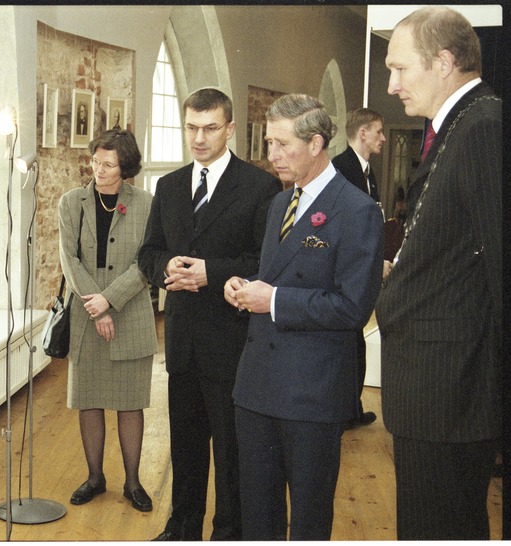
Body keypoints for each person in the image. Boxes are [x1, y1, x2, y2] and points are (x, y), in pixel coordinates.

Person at [224, 93, 384, 540]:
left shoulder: (357, 211)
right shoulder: (280, 203)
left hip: (311, 395)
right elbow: (274, 275)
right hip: (256, 388)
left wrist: (273, 300)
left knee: (309, 521)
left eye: (282, 144)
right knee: (258, 516)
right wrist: (242, 285)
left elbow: (353, 307)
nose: (272, 155)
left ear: (315, 144)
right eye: (269, 143)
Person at [376, 7, 501, 540]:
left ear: (444, 62)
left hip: (451, 392)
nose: (392, 84)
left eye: (400, 68)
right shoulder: (459, 124)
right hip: (434, 388)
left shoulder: (483, 127)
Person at [138, 87, 280, 540]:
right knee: (185, 446)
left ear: (230, 129)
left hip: (232, 341)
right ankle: (182, 529)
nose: (199, 139)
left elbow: (264, 262)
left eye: (210, 128)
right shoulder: (169, 186)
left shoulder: (259, 186)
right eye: (191, 128)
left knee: (232, 452)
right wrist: (166, 267)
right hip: (181, 342)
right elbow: (148, 252)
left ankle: (228, 533)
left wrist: (210, 274)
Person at [58, 129, 158, 512]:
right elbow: (69, 260)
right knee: (90, 399)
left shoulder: (146, 204)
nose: (99, 170)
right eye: (96, 161)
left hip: (130, 313)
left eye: (109, 165)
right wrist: (96, 306)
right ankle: (94, 478)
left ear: (125, 167)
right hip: (87, 314)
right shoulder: (72, 203)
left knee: (130, 403)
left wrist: (110, 300)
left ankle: (133, 483)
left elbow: (146, 262)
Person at [331, 107, 386, 429]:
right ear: (362, 133)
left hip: (362, 270)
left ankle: (351, 408)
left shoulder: (365, 170)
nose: (383, 138)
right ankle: (343, 412)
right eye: (378, 131)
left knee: (356, 343)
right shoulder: (342, 169)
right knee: (348, 344)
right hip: (346, 273)